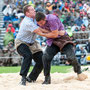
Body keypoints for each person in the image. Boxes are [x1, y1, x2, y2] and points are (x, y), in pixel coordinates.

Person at [35, 12, 87, 84]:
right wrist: (56, 32)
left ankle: (79, 71)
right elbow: (41, 30)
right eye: (39, 23)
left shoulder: (52, 19)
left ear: (44, 19)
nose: (40, 25)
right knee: (45, 57)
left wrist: (48, 33)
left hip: (63, 39)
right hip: (52, 41)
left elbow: (54, 34)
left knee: (71, 57)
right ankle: (47, 78)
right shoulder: (38, 22)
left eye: (41, 23)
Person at [15, 5, 52, 86]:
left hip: (32, 43)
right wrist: (54, 34)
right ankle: (23, 78)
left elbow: (43, 24)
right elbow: (40, 31)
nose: (34, 10)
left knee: (42, 59)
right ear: (27, 13)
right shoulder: (27, 22)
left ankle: (31, 78)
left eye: (34, 9)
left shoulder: (35, 19)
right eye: (32, 10)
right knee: (28, 56)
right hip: (21, 42)